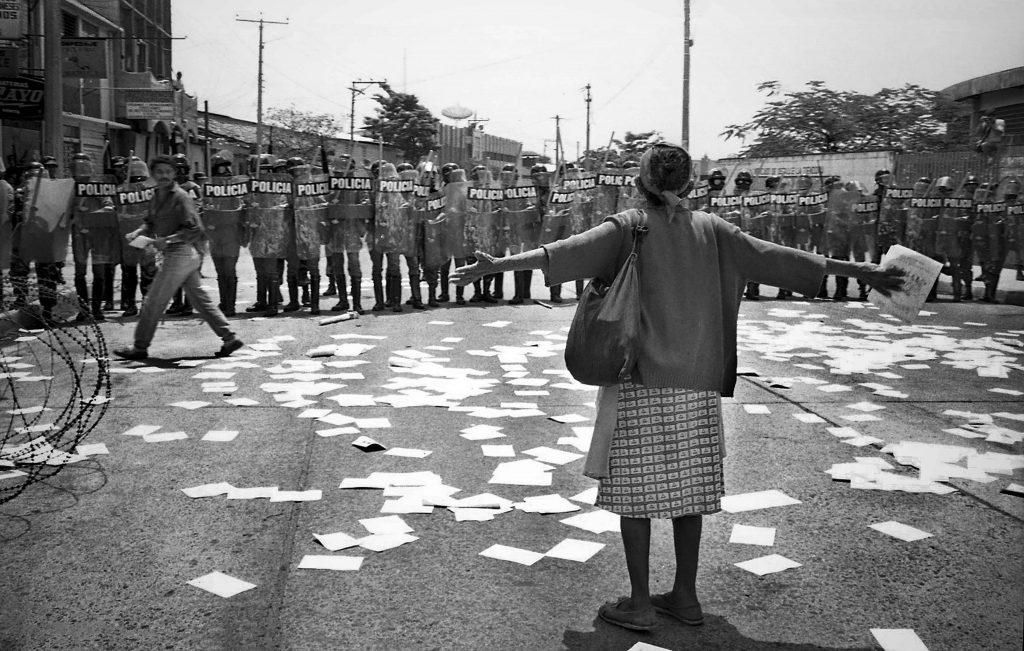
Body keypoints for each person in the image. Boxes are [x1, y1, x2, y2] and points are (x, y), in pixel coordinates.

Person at [450, 144, 903, 632]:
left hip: (640, 380)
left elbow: (560, 253)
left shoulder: (628, 227)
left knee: (634, 495)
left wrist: (492, 267)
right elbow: (780, 258)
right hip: (699, 383)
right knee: (690, 495)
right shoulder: (713, 229)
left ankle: (640, 602)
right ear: (689, 184)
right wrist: (866, 272)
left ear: (640, 182)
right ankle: (685, 596)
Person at [113, 155, 243, 360]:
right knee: (200, 300)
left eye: (168, 172)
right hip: (182, 256)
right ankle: (230, 338)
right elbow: (150, 222)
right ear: (153, 174)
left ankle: (139, 347)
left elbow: (194, 228)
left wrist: (168, 240)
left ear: (175, 174)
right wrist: (138, 232)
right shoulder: (157, 195)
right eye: (159, 172)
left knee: (153, 301)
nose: (164, 176)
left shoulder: (181, 197)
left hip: (180, 253)